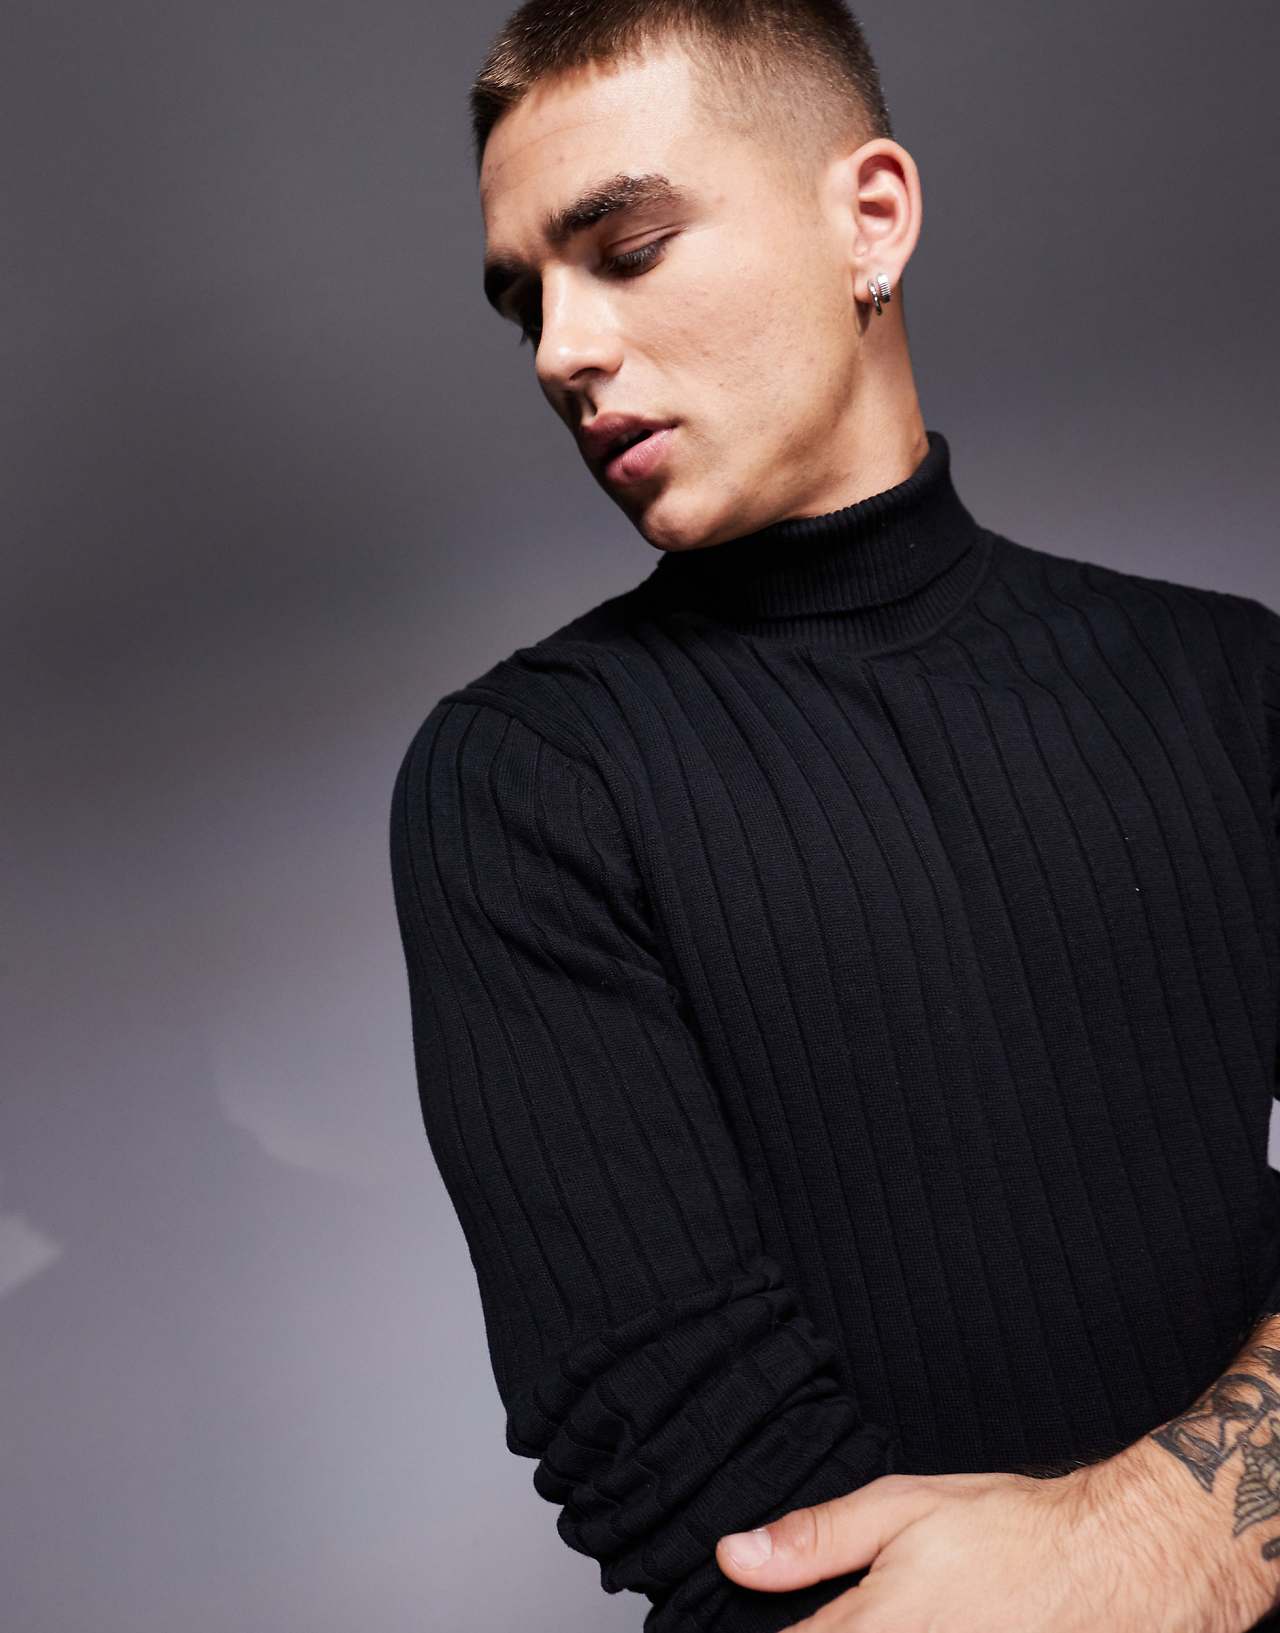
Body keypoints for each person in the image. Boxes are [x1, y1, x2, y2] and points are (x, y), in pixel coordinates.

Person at [388, 2, 1280, 1628]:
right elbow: (702, 1486)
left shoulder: (1236, 684)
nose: (562, 350)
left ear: (871, 218)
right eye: (527, 300)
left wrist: (1161, 1536)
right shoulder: (520, 783)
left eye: (626, 250)